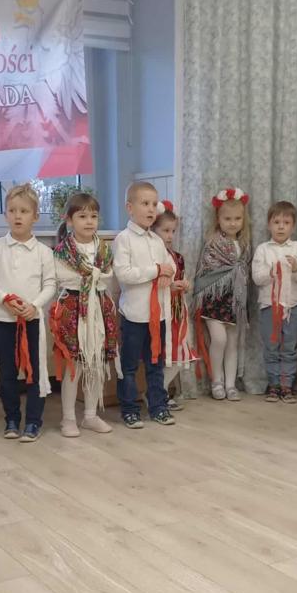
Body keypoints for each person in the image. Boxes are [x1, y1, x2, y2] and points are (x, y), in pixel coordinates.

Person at [0, 184, 56, 442]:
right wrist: (5, 299)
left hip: (32, 321)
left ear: (35, 216)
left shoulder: (43, 252)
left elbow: (50, 285)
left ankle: (33, 422)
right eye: (12, 210)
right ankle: (12, 419)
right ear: (6, 214)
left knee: (35, 372)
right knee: (8, 373)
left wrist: (34, 306)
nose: (17, 216)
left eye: (24, 211)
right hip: (3, 321)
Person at [50, 192, 119, 437]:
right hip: (72, 309)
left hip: (99, 308)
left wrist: (92, 277)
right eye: (82, 216)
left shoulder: (104, 249)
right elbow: (63, 278)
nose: (89, 221)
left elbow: (107, 276)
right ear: (69, 220)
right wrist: (90, 277)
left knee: (95, 364)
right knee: (75, 365)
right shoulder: (62, 251)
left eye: (93, 216)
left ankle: (90, 415)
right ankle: (68, 418)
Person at [113, 181, 175, 428]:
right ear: (130, 207)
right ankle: (129, 409)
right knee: (129, 366)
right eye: (145, 203)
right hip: (134, 315)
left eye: (153, 204)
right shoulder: (123, 239)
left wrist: (167, 274)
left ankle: (158, 406)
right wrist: (156, 270)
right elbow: (124, 274)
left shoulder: (157, 241)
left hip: (157, 315)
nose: (151, 209)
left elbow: (169, 265)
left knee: (155, 364)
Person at [194, 187, 252, 402]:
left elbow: (244, 270)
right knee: (219, 339)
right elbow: (205, 270)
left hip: (235, 300)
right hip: (215, 299)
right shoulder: (213, 243)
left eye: (237, 218)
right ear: (218, 219)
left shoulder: (244, 244)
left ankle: (230, 384)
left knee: (232, 343)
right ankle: (216, 381)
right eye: (227, 219)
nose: (233, 223)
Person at [252, 200, 297, 404]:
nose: (281, 227)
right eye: (276, 222)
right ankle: (274, 384)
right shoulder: (262, 249)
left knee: (290, 346)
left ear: (293, 226)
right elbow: (257, 278)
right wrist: (271, 271)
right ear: (269, 225)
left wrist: (296, 268)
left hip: (292, 306)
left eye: (286, 222)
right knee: (271, 346)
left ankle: (287, 385)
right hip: (269, 305)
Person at [151, 200, 197, 411]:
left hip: (177, 312)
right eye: (165, 230)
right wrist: (170, 287)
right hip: (162, 310)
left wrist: (185, 284)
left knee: (178, 353)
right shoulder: (153, 256)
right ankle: (156, 393)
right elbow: (154, 284)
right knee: (164, 353)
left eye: (173, 231)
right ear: (154, 230)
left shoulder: (177, 257)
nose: (170, 235)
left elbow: (181, 278)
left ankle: (158, 391)